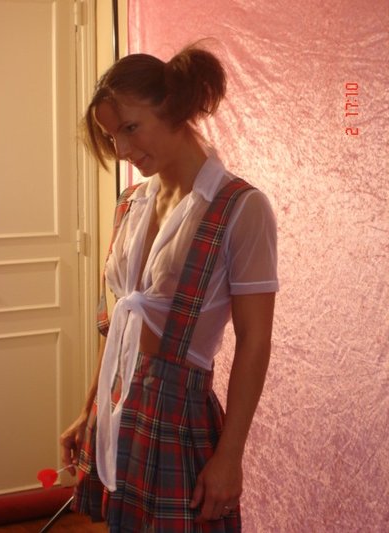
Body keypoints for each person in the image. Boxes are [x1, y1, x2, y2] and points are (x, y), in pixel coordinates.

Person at [60, 43, 279, 533]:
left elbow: (255, 341)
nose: (121, 150)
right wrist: (89, 408)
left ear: (175, 108)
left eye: (130, 128)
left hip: (180, 417)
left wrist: (230, 457)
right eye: (111, 136)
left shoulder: (241, 208)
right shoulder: (131, 202)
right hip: (118, 408)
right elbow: (122, 324)